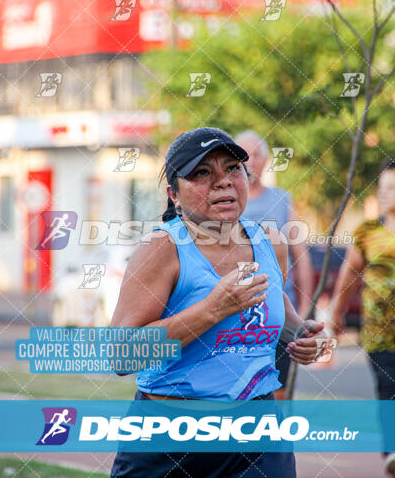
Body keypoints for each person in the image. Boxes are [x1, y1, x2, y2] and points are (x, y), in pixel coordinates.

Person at [110, 127, 326, 478]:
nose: (223, 182)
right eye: (202, 173)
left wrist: (298, 331)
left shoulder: (270, 240)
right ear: (173, 194)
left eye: (232, 168)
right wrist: (212, 309)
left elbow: (274, 303)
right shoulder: (161, 251)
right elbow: (121, 356)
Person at [235, 131, 314, 399]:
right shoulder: (229, 204)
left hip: (279, 311)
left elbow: (300, 256)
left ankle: (278, 439)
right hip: (238, 316)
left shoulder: (281, 200)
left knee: (279, 393)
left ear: (267, 160)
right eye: (244, 154)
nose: (251, 161)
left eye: (257, 154)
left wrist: (303, 311)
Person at [329, 157, 395, 477]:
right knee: (387, 391)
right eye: (382, 188)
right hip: (380, 334)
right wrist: (335, 316)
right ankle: (391, 454)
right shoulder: (368, 231)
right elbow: (349, 276)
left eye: (392, 188)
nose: (385, 194)